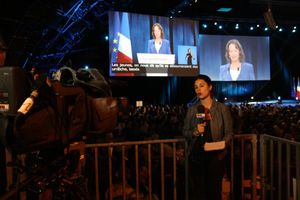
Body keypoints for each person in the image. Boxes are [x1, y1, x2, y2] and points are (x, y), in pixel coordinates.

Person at [183, 74, 233, 200]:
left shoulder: (222, 108)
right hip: (196, 157)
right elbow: (185, 131)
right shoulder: (192, 109)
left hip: (216, 157)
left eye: (201, 86)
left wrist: (222, 144)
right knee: (199, 193)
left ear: (210, 87)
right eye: (195, 87)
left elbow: (229, 133)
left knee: (214, 192)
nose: (198, 89)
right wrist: (195, 132)